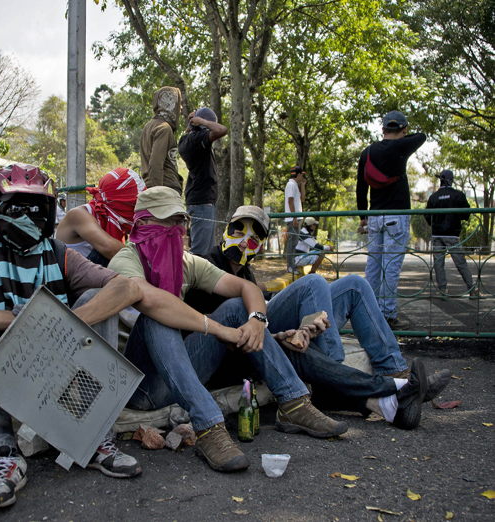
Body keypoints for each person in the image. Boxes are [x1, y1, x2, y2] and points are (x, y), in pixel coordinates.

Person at [0, 164, 144, 511]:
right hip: (5, 379)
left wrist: (64, 323)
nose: (26, 216)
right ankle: (2, 452)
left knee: (94, 299)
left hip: (60, 375)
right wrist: (13, 320)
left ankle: (96, 436)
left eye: (35, 208)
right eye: (16, 207)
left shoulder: (60, 254)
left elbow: (126, 287)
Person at [108, 187, 348, 475]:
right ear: (143, 223)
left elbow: (245, 288)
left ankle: (294, 403)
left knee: (237, 306)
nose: (176, 230)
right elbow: (154, 301)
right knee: (156, 317)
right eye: (167, 221)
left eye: (179, 222)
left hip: (183, 368)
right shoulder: (124, 260)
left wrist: (258, 319)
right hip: (144, 386)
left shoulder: (185, 262)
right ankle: (208, 426)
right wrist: (219, 330)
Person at [184, 205, 450, 429]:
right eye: (238, 228)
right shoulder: (206, 265)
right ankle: (353, 376)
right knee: (312, 283)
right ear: (226, 228)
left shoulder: (246, 273)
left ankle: (396, 371)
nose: (244, 240)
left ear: (261, 246)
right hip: (228, 351)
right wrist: (275, 333)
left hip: (262, 337)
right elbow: (195, 321)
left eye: (254, 237)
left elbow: (260, 309)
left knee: (355, 285)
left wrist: (294, 330)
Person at [356, 110, 426, 330]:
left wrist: (363, 217)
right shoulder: (401, 147)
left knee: (373, 266)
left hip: (375, 216)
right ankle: (387, 315)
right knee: (391, 267)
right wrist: (404, 135)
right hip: (397, 216)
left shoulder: (367, 152)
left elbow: (361, 188)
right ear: (403, 129)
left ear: (383, 129)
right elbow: (422, 136)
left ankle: (366, 311)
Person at [55, 168, 145, 267]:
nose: (136, 211)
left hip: (92, 276)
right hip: (71, 279)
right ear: (119, 203)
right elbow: (110, 249)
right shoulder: (78, 215)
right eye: (133, 205)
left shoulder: (112, 219)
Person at [178, 107, 227, 255]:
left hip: (200, 200)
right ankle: (189, 278)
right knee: (201, 253)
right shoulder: (197, 139)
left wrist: (193, 123)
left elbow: (191, 132)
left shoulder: (186, 140)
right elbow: (222, 130)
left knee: (207, 250)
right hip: (202, 202)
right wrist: (201, 121)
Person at [425, 169, 478, 298]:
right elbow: (466, 214)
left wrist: (436, 223)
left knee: (439, 264)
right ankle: (472, 289)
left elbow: (427, 215)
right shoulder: (458, 195)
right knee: (460, 263)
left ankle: (443, 291)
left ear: (441, 181)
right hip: (452, 235)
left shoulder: (434, 197)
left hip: (437, 235)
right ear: (451, 180)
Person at [140, 87, 183, 194]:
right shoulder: (164, 128)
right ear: (170, 104)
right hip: (164, 187)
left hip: (150, 185)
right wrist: (158, 194)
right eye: (178, 103)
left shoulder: (149, 126)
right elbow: (155, 164)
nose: (180, 108)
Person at [284, 166, 306, 274]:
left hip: (296, 217)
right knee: (292, 243)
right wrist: (294, 218)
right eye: (301, 175)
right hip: (294, 218)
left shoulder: (295, 185)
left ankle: (292, 265)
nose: (302, 176)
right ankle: (290, 266)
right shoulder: (291, 185)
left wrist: (303, 185)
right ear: (298, 174)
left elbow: (302, 199)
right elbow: (290, 201)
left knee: (294, 242)